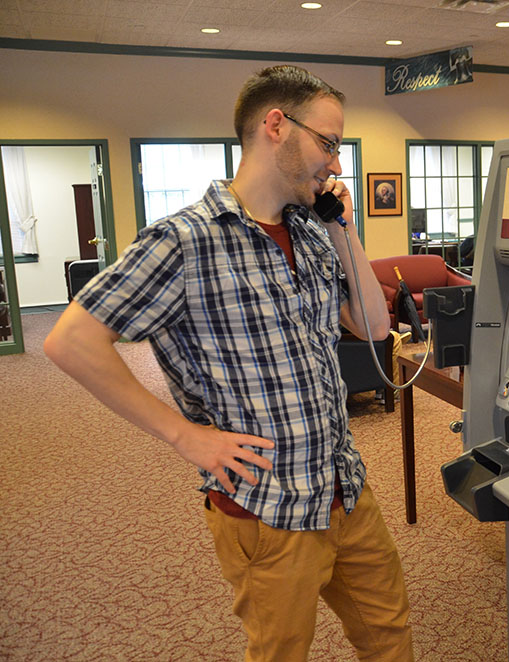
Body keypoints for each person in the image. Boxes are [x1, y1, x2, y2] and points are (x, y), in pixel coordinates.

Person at [43, 65, 413, 662]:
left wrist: (343, 228)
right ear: (276, 125)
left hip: (345, 488)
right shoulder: (185, 240)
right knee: (280, 653)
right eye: (329, 143)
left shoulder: (312, 230)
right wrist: (185, 437)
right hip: (265, 507)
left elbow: (372, 327)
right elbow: (70, 342)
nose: (336, 164)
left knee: (389, 635)